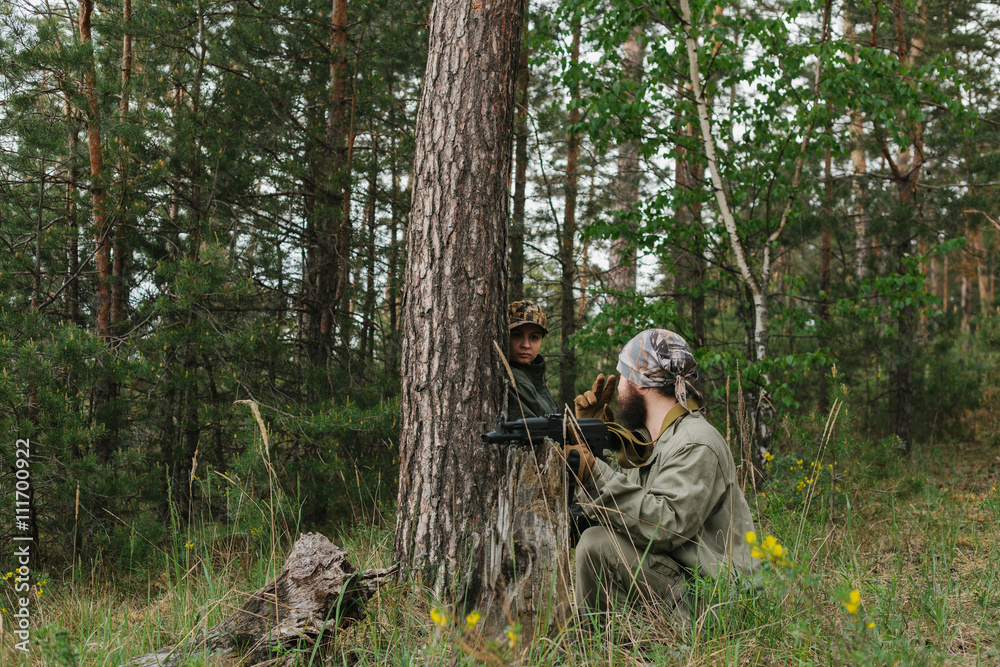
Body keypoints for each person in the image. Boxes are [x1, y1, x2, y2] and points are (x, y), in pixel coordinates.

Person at [565, 329, 759, 623]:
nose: (618, 392)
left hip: (717, 601)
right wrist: (591, 442)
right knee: (596, 538)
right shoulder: (648, 444)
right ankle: (613, 644)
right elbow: (616, 517)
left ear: (641, 384)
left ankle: (596, 644)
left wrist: (593, 474)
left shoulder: (696, 441)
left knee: (597, 544)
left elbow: (665, 526)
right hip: (686, 583)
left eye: (624, 377)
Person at [506, 300, 559, 419]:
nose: (526, 345)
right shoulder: (511, 380)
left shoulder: (535, 376)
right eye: (517, 335)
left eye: (534, 337)